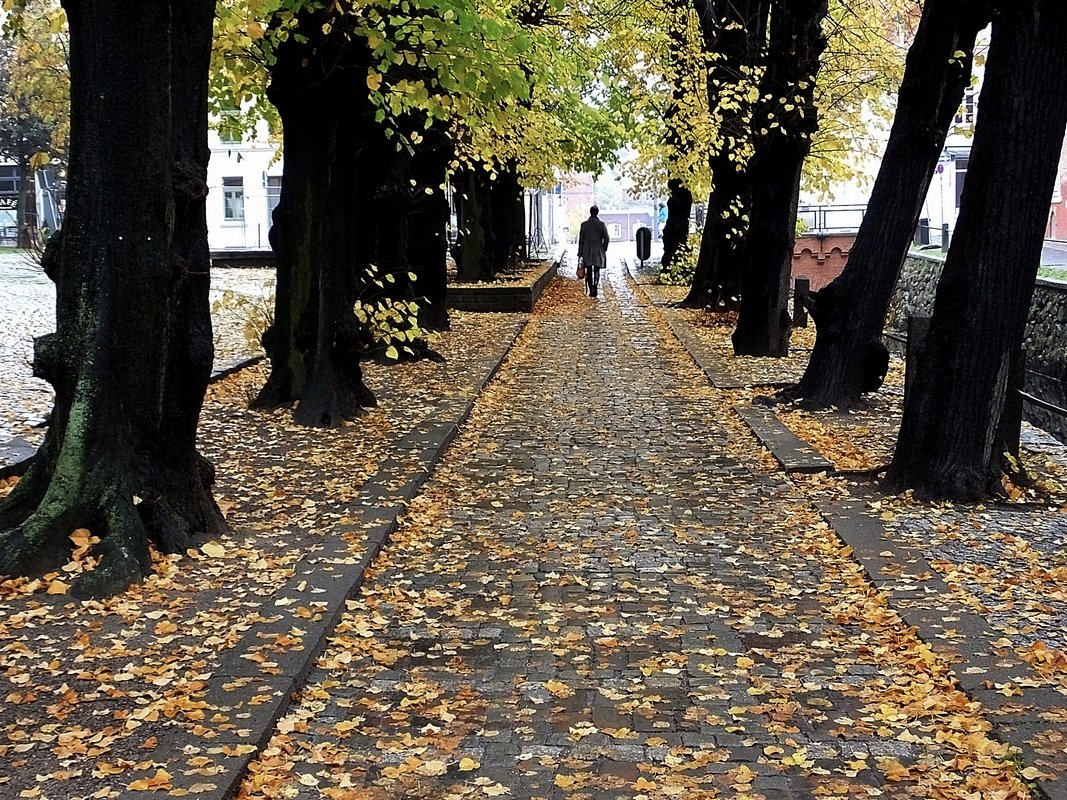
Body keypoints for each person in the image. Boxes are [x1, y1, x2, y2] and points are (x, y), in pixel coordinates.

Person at [577, 205, 609, 297]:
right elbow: (606, 238)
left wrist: (580, 252)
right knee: (597, 269)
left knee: (589, 270)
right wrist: (604, 248)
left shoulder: (584, 225)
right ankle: (595, 285)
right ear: (597, 213)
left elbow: (581, 240)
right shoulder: (601, 224)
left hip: (587, 250)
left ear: (590, 212)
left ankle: (591, 289)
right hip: (598, 250)